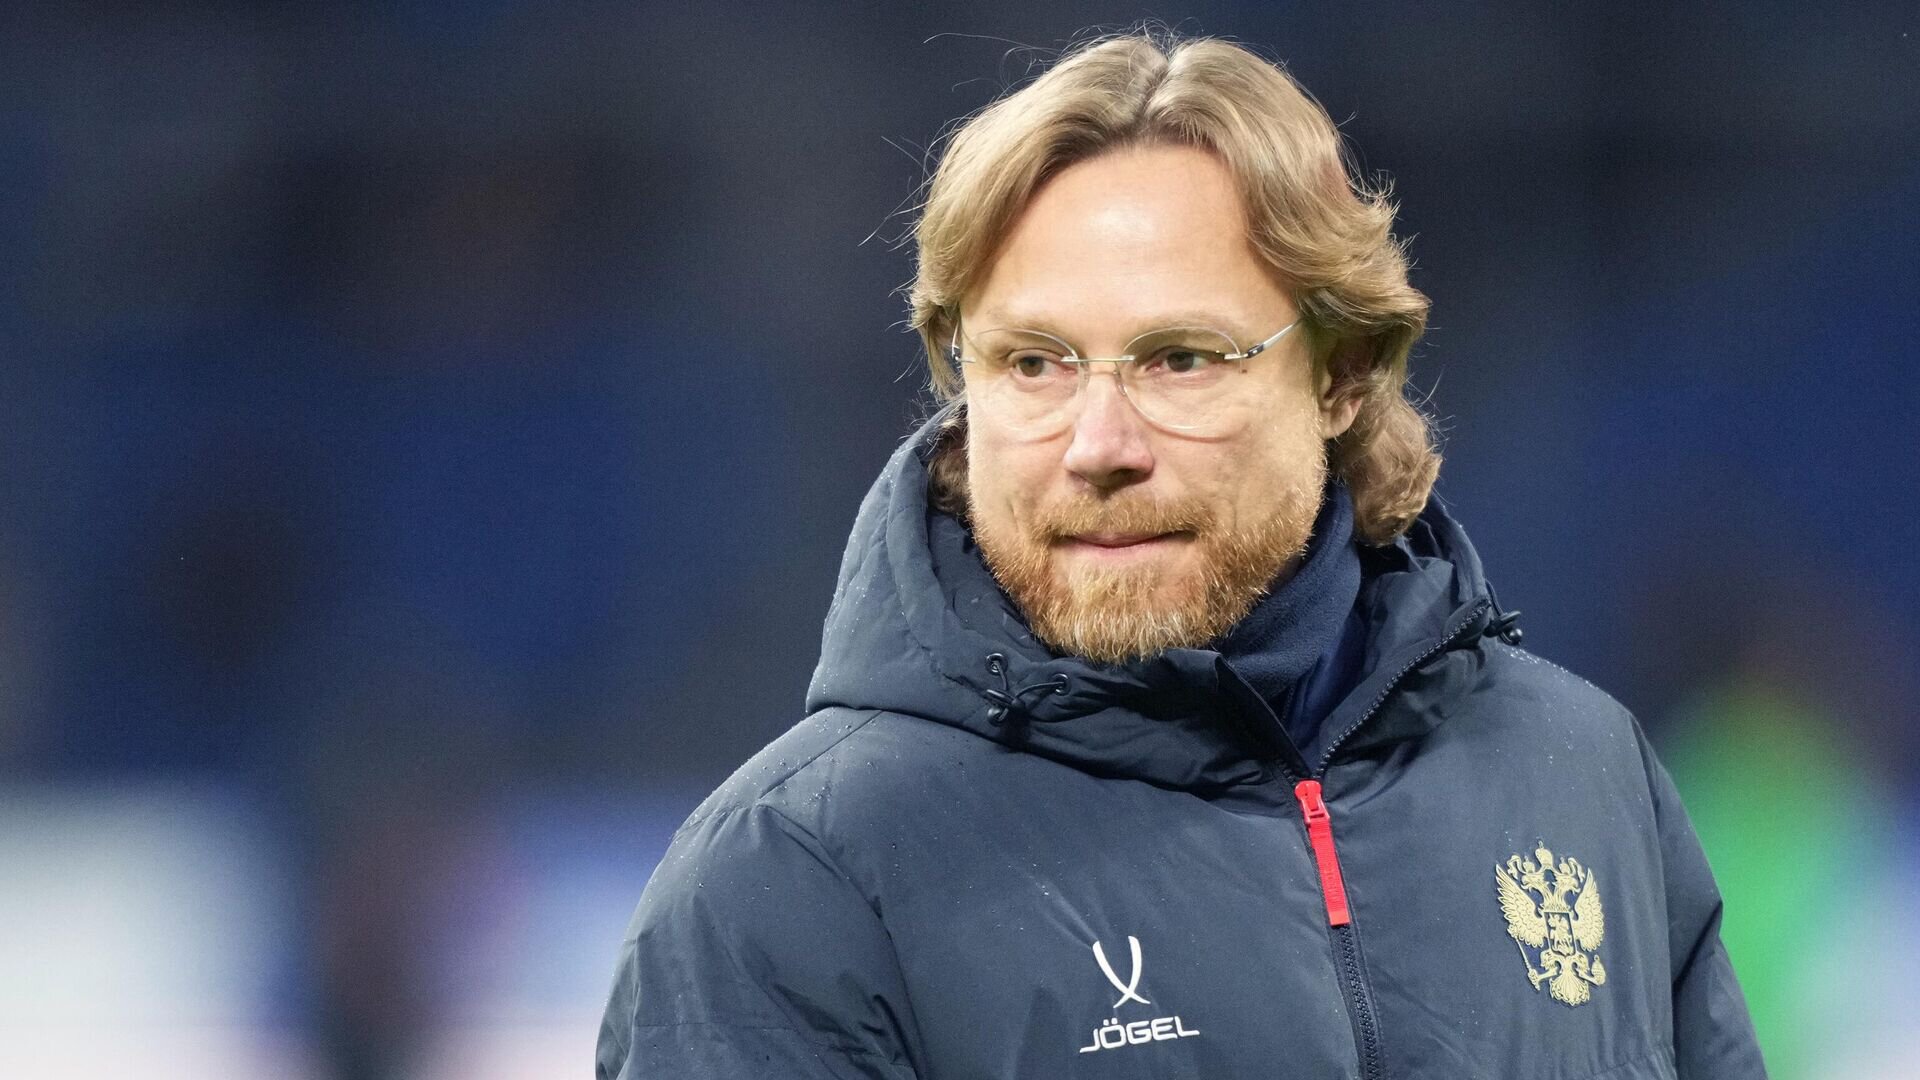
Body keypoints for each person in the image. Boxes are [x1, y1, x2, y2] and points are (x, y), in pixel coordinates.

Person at [596, 31, 1764, 1080]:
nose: (1099, 447)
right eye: (1034, 364)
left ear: (1343, 374)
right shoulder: (792, 880)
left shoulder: (1582, 774)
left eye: (1180, 360)